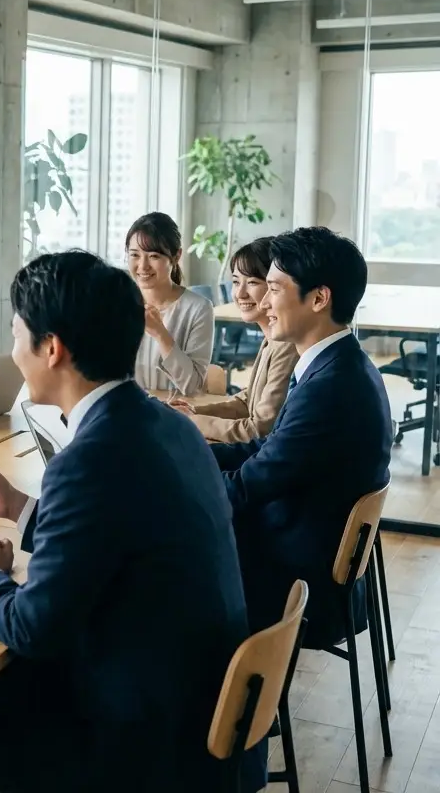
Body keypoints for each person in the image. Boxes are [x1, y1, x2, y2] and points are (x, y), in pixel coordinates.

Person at [0, 251, 257, 793]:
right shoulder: (167, 424)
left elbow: (34, 628)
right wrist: (17, 506)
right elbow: (117, 532)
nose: (13, 353)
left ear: (52, 348)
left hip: (143, 744)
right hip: (195, 707)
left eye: (17, 336)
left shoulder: (87, 460)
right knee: (4, 685)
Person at [212, 227, 392, 642]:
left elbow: (247, 489)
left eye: (273, 288)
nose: (263, 301)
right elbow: (268, 451)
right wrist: (191, 455)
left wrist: (173, 483)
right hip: (304, 548)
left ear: (318, 298)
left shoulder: (331, 388)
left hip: (298, 583)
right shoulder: (340, 365)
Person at [169, 237, 297, 443]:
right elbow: (248, 401)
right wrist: (192, 411)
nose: (240, 293)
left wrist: (193, 421)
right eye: (236, 281)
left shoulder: (287, 345)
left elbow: (260, 429)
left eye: (253, 282)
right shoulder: (271, 339)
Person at [126, 212, 214, 395]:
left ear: (176, 256)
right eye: (135, 255)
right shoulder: (117, 304)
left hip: (175, 414)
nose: (142, 266)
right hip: (125, 411)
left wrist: (160, 333)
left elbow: (193, 386)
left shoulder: (198, 308)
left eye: (154, 256)